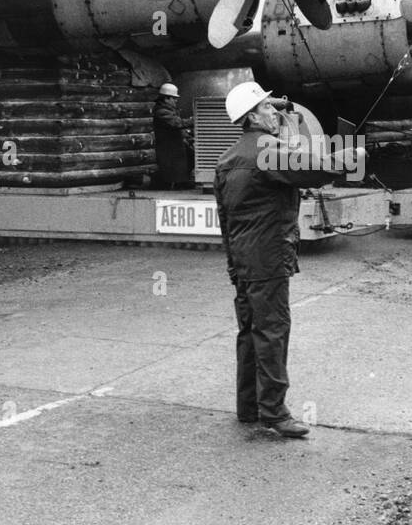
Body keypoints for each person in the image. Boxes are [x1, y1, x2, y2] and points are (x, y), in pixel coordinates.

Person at [213, 82, 359, 438]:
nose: (274, 112)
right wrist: (348, 158)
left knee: (250, 332)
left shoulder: (226, 159)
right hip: (268, 258)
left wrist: (233, 262)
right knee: (273, 332)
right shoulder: (267, 150)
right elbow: (317, 169)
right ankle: (275, 414)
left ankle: (249, 407)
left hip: (243, 259)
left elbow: (224, 218)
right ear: (251, 118)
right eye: (266, 108)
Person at [151, 82, 193, 189]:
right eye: (173, 98)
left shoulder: (169, 110)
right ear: (166, 99)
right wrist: (193, 121)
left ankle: (181, 182)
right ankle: (177, 183)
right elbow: (176, 123)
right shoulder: (161, 111)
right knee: (172, 167)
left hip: (174, 145)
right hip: (168, 146)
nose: (176, 101)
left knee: (184, 161)